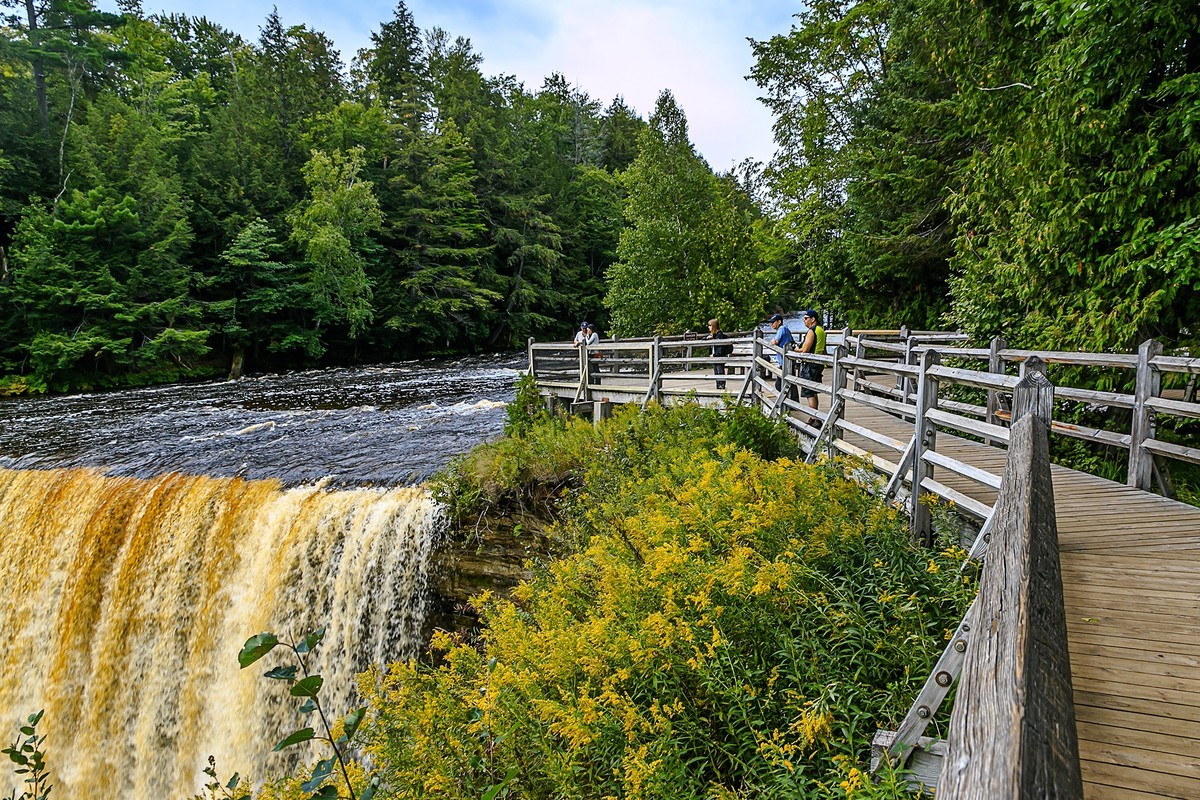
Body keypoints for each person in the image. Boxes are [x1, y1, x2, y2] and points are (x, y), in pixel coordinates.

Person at [797, 309, 826, 410]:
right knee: (813, 391)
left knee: (809, 392)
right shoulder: (821, 330)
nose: (804, 320)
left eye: (806, 318)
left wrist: (796, 349)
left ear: (813, 319)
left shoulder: (811, 331)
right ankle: (815, 414)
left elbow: (805, 350)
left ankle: (813, 416)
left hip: (810, 364)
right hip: (819, 363)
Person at [767, 313, 796, 399]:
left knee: (781, 384)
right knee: (787, 383)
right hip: (785, 361)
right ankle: (790, 400)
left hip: (786, 362)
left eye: (773, 322)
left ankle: (788, 400)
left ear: (779, 322)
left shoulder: (782, 329)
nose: (771, 325)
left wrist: (773, 341)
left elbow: (775, 341)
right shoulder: (784, 329)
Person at [705, 318, 732, 390]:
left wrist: (714, 355)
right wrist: (707, 338)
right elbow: (703, 339)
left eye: (710, 325)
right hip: (714, 357)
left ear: (714, 326)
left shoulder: (719, 335)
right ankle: (718, 386)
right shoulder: (712, 335)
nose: (708, 327)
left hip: (719, 357)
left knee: (720, 371)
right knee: (716, 372)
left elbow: (720, 349)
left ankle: (721, 386)